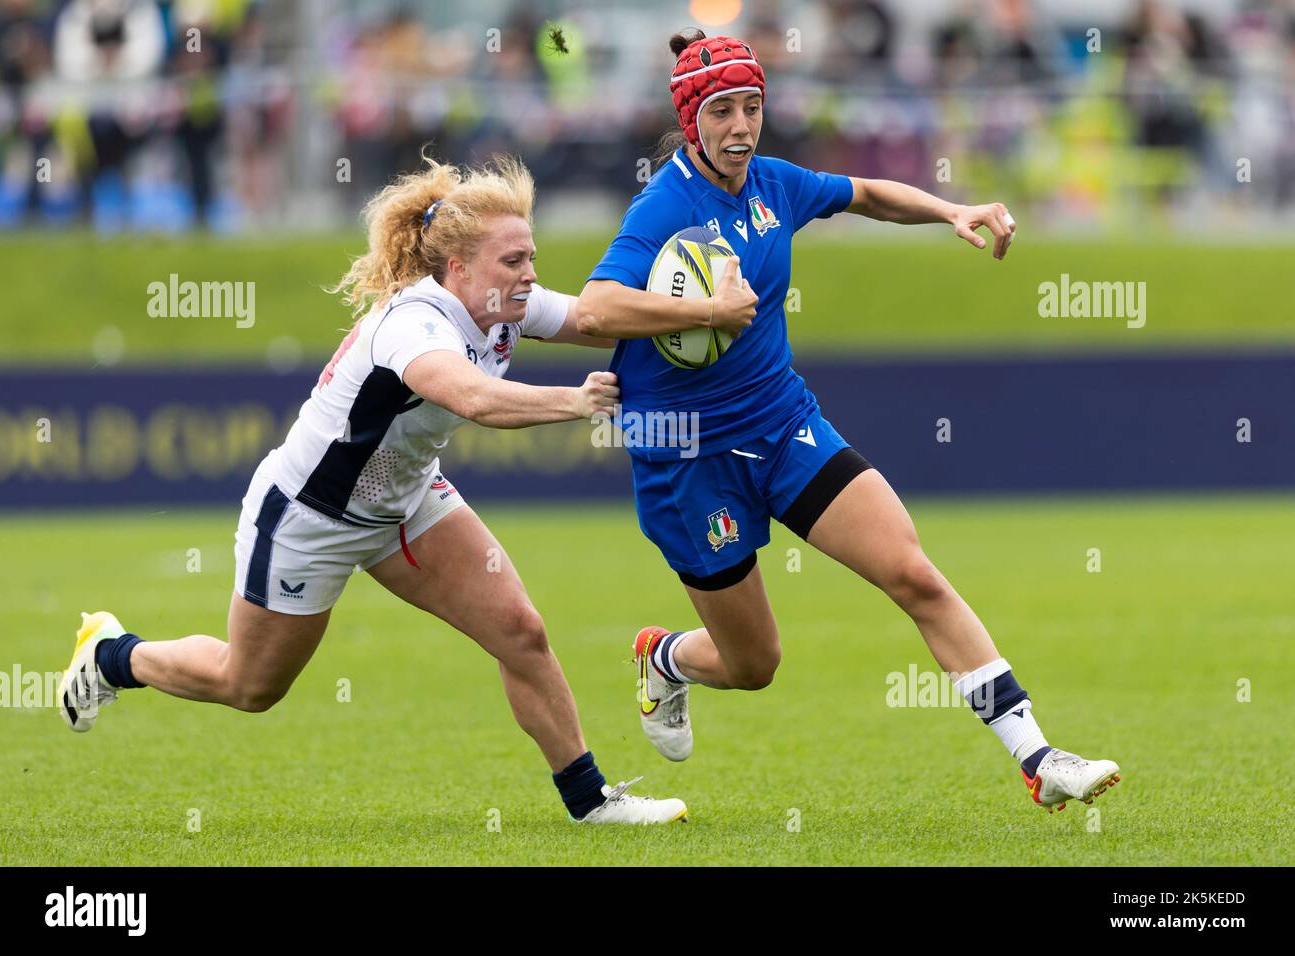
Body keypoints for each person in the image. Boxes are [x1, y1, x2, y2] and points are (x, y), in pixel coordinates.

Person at [577, 29, 1120, 813]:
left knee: (914, 573)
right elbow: (596, 310)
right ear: (691, 118)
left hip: (782, 425)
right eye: (722, 110)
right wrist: (707, 309)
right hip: (686, 458)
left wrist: (949, 209)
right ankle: (665, 659)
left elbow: (864, 193)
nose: (740, 127)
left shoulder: (773, 185)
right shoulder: (662, 206)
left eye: (752, 107)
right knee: (755, 664)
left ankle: (1038, 756)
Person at [57, 156, 687, 826]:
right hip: (311, 515)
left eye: (530, 256)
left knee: (520, 632)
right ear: (458, 269)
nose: (529, 273)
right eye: (513, 260)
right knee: (249, 685)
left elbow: (594, 319)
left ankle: (591, 802)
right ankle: (110, 654)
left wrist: (707, 311)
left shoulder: (508, 304)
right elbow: (471, 397)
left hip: (408, 502)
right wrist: (575, 400)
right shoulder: (415, 321)